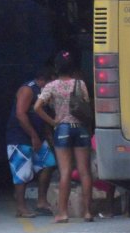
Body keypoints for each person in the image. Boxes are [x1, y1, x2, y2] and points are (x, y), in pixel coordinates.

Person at [34, 50, 93, 223]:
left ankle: (62, 213)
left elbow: (37, 107)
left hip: (63, 129)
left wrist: (53, 122)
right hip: (80, 129)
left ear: (56, 67)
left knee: (65, 171)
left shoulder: (51, 86)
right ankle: (88, 212)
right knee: (85, 171)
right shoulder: (80, 84)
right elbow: (86, 106)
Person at [5, 66, 57, 218]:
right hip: (20, 137)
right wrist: (33, 136)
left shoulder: (44, 93)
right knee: (22, 172)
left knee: (49, 163)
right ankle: (21, 207)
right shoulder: (28, 90)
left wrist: (47, 136)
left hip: (38, 137)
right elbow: (20, 114)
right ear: (43, 80)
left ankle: (42, 201)